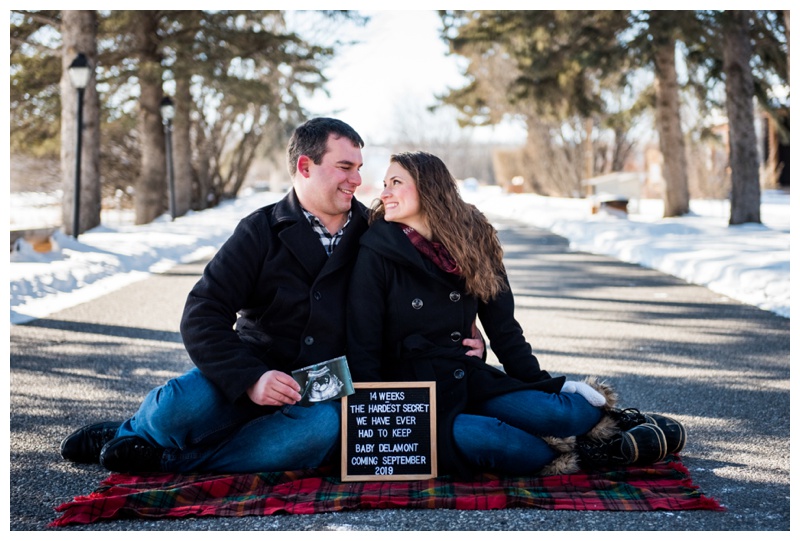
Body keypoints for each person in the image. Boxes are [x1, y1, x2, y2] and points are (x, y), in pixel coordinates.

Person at [59, 118, 481, 474]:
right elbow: (203, 311)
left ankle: (174, 459)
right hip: (251, 368)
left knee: (316, 434)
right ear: (305, 166)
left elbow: (432, 285)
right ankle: (127, 432)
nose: (357, 179)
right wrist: (251, 379)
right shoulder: (260, 229)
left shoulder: (377, 232)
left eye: (359, 168)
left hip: (326, 386)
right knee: (178, 409)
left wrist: (466, 331)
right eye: (345, 167)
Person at [346, 151, 686, 478]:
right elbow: (364, 343)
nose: (384, 192)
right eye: (385, 183)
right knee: (497, 440)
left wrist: (549, 386)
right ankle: (595, 452)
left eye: (395, 182)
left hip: (466, 377)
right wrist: (373, 417)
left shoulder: (473, 244)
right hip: (413, 396)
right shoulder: (376, 250)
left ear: (429, 189)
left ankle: (610, 424)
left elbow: (504, 328)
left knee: (557, 413)